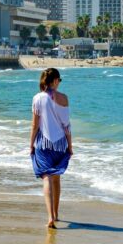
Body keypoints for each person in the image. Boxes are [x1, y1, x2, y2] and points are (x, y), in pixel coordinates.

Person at [30, 68, 73, 229]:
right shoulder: (64, 98)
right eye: (59, 80)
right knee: (56, 178)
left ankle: (49, 217)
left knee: (47, 178)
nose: (59, 83)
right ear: (55, 80)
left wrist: (30, 145)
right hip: (60, 144)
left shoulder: (37, 98)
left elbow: (35, 125)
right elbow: (66, 125)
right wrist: (70, 145)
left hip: (43, 143)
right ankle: (55, 214)